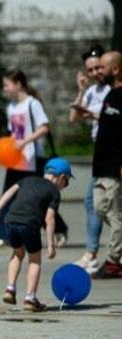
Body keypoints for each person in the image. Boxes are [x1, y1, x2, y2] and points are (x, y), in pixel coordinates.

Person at [0, 158, 73, 312]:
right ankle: (30, 298)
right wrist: (50, 245)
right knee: (34, 260)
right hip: (29, 224)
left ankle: (10, 289)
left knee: (17, 253)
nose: (64, 186)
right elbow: (49, 218)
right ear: (61, 177)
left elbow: (8, 193)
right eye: (66, 182)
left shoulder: (26, 180)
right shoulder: (54, 192)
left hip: (10, 221)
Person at [0, 68, 68, 248]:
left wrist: (25, 141)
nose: (5, 89)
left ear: (18, 84)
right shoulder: (11, 107)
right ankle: (4, 236)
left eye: (7, 85)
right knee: (8, 194)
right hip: (15, 160)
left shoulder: (32, 104)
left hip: (33, 159)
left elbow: (44, 128)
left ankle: (59, 229)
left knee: (38, 197)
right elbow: (12, 133)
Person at [70, 44, 109, 273]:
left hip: (113, 150)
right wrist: (81, 91)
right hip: (100, 149)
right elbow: (73, 117)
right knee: (94, 202)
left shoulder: (114, 89)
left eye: (98, 68)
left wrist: (93, 115)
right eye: (90, 70)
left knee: (95, 201)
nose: (95, 73)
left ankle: (92, 253)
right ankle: (92, 253)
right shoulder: (93, 91)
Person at [91, 51, 122, 279]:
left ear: (116, 69)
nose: (98, 71)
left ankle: (113, 261)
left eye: (102, 67)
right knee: (101, 208)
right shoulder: (111, 94)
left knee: (114, 214)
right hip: (102, 166)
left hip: (114, 166)